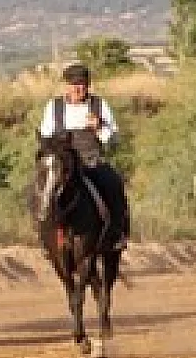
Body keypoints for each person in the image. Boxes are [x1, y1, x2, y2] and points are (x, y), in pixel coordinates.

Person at [37, 63, 129, 251]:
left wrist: (99, 128)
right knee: (39, 187)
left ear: (88, 85)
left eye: (82, 84)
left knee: (113, 183)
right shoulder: (53, 107)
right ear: (66, 86)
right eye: (74, 84)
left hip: (92, 161)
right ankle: (43, 233)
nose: (78, 88)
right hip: (63, 163)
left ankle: (117, 232)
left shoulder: (99, 105)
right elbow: (46, 137)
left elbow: (114, 139)